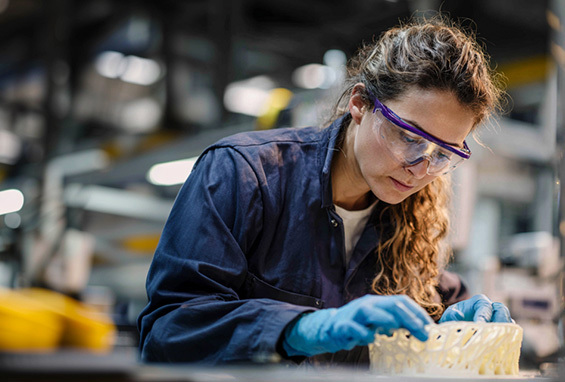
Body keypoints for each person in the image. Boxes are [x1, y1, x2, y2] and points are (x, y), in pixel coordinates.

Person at [137, 15, 513, 366]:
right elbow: (168, 330)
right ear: (360, 103)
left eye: (442, 154)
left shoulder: (412, 222)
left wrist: (453, 329)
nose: (420, 168)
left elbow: (434, 308)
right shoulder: (243, 174)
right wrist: (296, 330)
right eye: (409, 136)